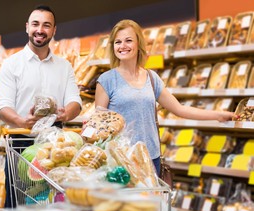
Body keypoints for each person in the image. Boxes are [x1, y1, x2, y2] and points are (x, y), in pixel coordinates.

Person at [95, 19, 234, 176]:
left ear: (138, 44)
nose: (122, 46)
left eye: (128, 40)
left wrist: (218, 115)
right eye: (117, 42)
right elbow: (99, 127)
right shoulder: (106, 80)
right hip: (121, 160)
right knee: (127, 202)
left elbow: (179, 109)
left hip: (151, 157)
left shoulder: (151, 78)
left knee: (152, 201)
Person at [0, 5, 82, 208]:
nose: (40, 30)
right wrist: (21, 120)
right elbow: (2, 107)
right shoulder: (11, 64)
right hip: (21, 144)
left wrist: (65, 113)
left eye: (46, 25)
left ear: (54, 30)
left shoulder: (64, 66)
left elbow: (75, 102)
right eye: (35, 24)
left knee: (55, 205)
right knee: (18, 205)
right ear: (27, 27)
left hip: (57, 146)